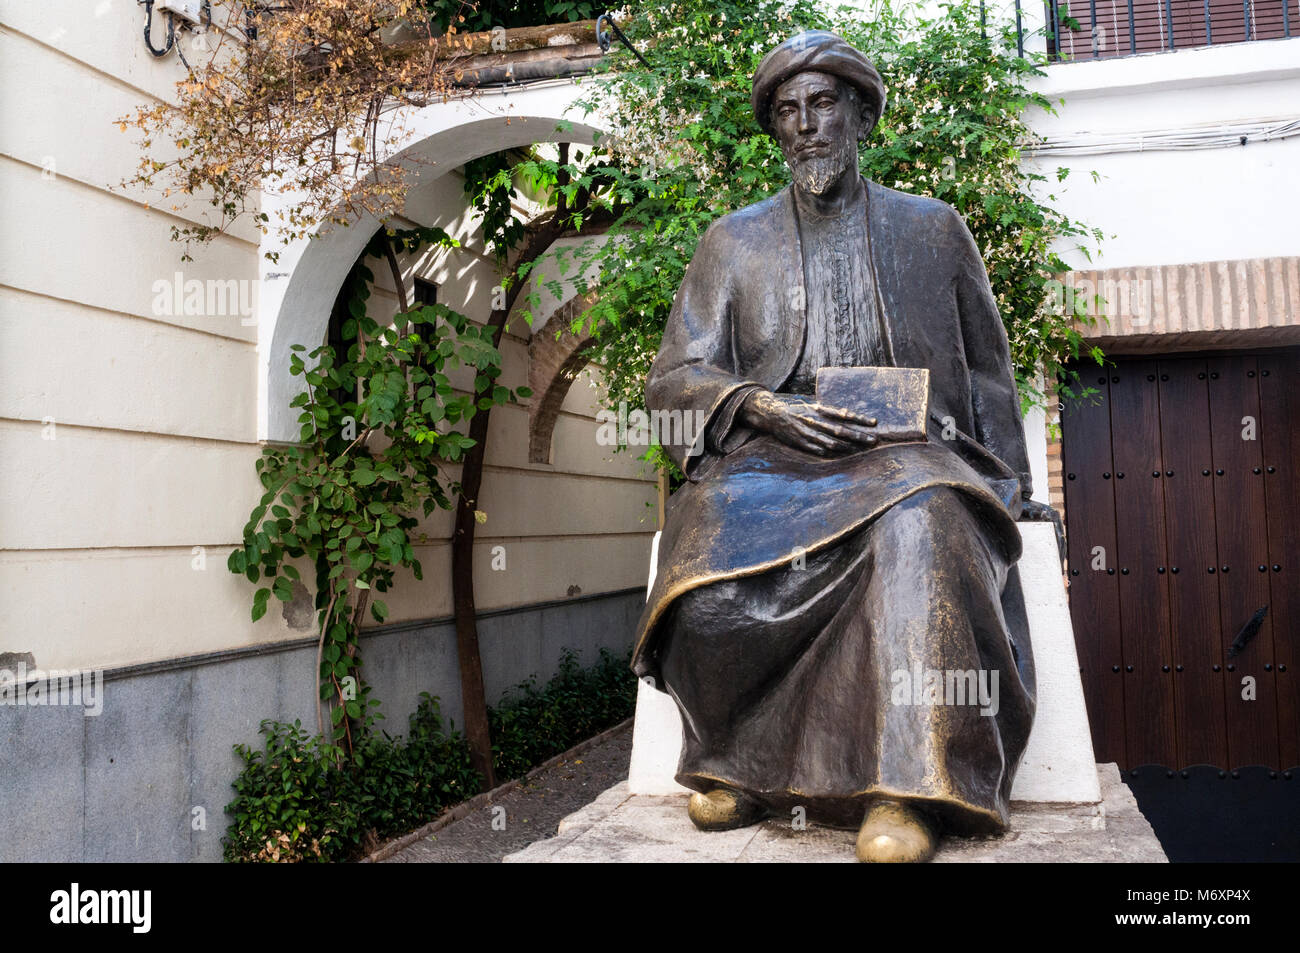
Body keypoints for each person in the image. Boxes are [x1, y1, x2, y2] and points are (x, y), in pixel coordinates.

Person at [631, 30, 1048, 863]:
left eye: (823, 105)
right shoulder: (733, 242)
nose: (806, 125)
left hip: (908, 452)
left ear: (859, 114)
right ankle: (737, 760)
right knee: (704, 543)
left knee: (921, 520)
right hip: (771, 463)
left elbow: (989, 370)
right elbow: (673, 379)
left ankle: (908, 787)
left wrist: (1014, 483)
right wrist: (760, 406)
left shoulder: (933, 230)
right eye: (787, 112)